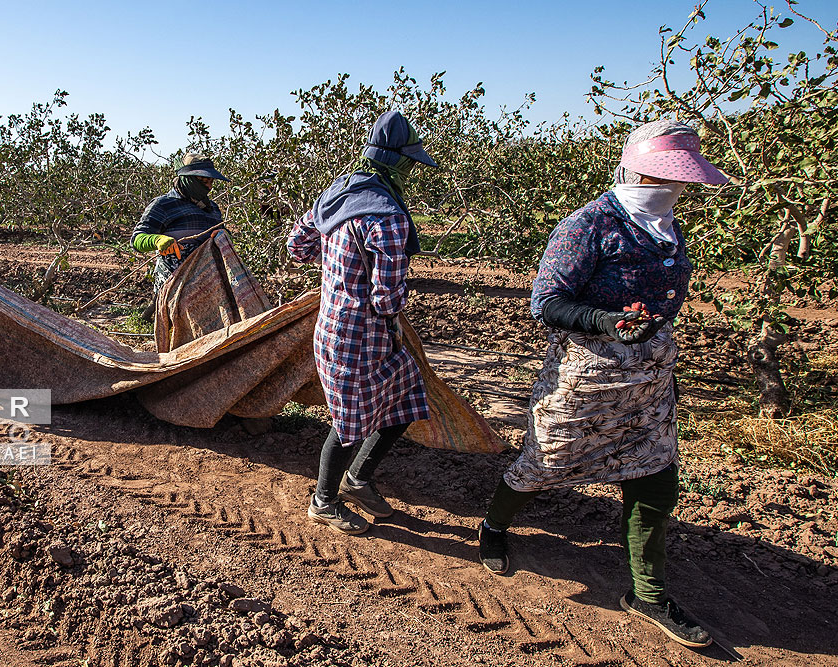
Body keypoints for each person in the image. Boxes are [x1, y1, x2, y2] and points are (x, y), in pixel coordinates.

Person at [476, 119, 728, 648]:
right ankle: (494, 528)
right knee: (542, 465)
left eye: (678, 182)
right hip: (586, 379)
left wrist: (648, 336)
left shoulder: (666, 226)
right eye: (661, 179)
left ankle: (649, 594)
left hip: (648, 380)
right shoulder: (587, 227)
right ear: (633, 171)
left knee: (656, 479)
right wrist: (605, 321)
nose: (672, 190)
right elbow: (546, 302)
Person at [287, 110, 438, 535]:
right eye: (410, 162)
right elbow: (386, 295)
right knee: (350, 423)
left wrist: (337, 269)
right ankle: (324, 500)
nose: (411, 170)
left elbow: (297, 247)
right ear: (397, 161)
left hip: (332, 326)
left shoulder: (337, 194)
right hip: (363, 333)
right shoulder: (387, 215)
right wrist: (384, 311)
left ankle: (357, 480)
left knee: (405, 398)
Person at [131, 152, 229, 298]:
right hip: (176, 289)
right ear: (188, 179)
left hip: (211, 287)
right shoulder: (163, 205)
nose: (209, 187)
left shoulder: (212, 207)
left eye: (211, 182)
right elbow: (136, 240)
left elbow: (223, 233)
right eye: (204, 181)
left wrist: (224, 236)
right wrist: (158, 240)